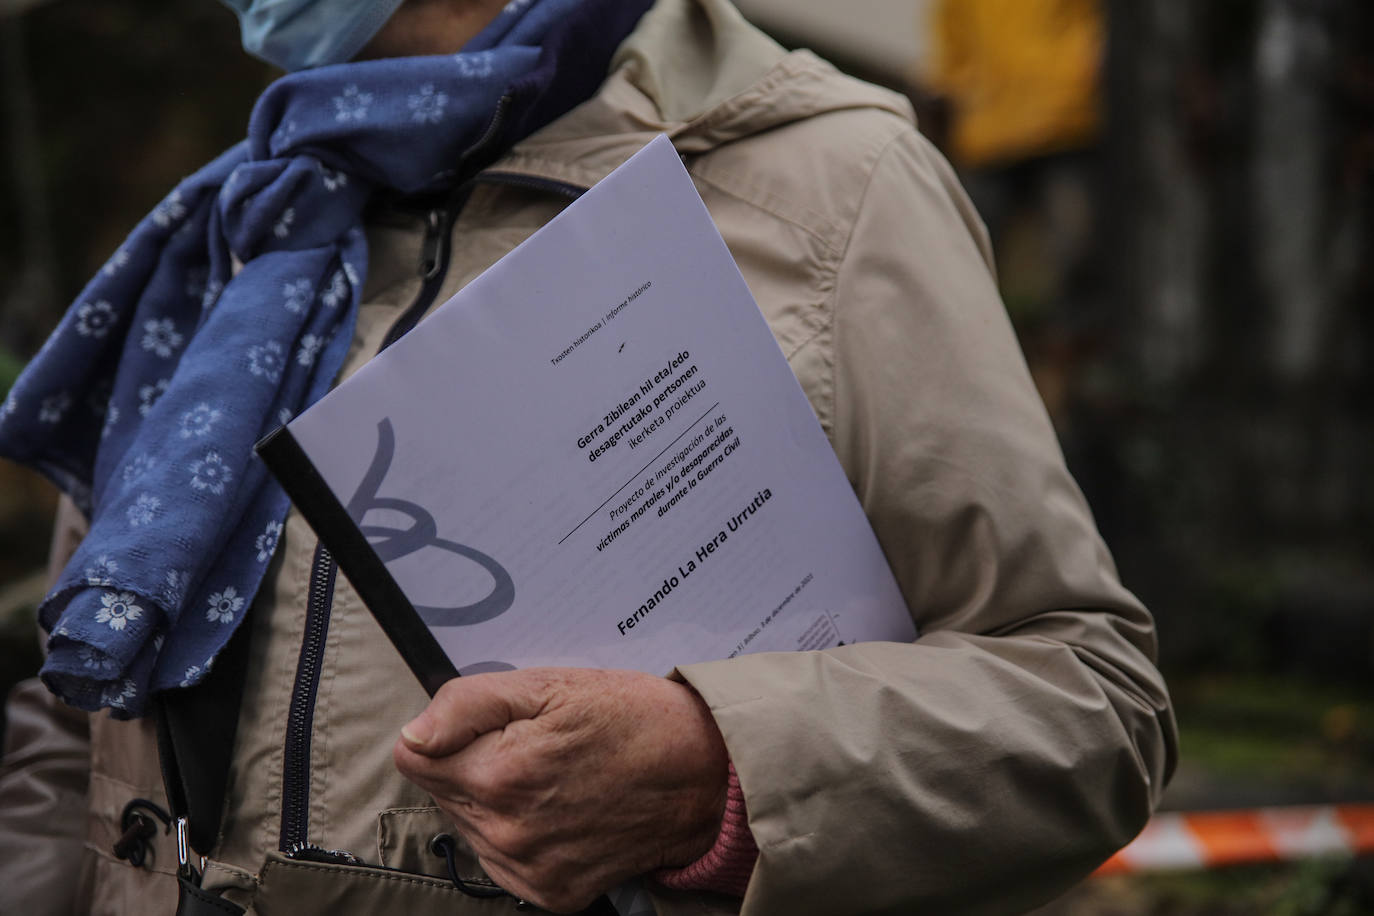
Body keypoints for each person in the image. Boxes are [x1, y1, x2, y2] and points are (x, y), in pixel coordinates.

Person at [0, 0, 1178, 913]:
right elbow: (73, 721)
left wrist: (725, 773)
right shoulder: (245, 221)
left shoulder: (832, 187)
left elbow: (1089, 702)